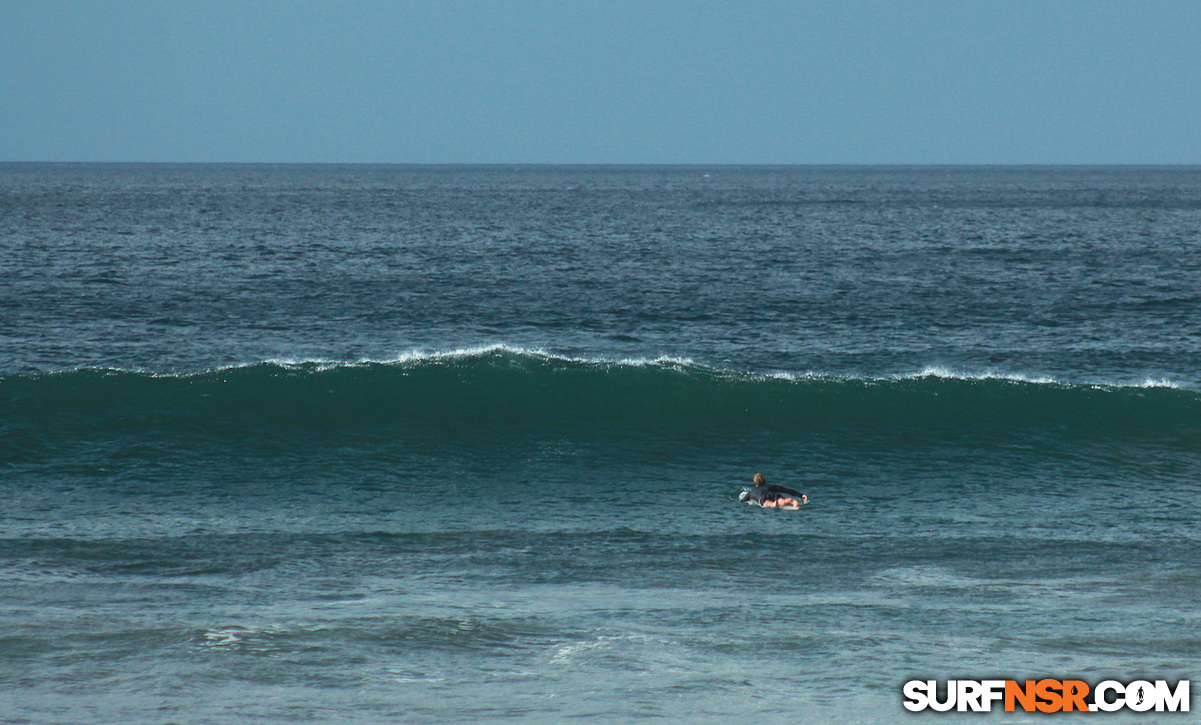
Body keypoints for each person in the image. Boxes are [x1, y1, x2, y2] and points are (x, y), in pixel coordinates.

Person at [741, 472, 808, 508]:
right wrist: (801, 495)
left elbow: (742, 501)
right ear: (765, 481)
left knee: (767, 503)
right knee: (782, 500)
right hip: (773, 494)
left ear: (755, 483)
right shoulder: (771, 486)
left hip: (762, 498)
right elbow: (786, 490)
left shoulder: (752, 491)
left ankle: (773, 504)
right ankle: (791, 501)